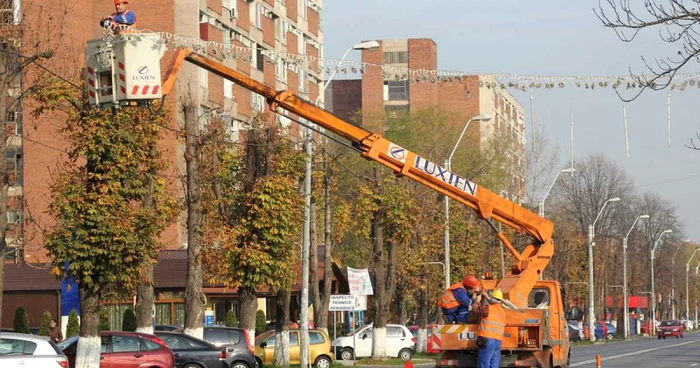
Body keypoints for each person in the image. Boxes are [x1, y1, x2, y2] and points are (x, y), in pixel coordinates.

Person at [476, 289, 506, 368]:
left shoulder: (488, 308)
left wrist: (477, 300)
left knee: (483, 364)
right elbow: (494, 302)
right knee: (494, 365)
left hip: (487, 340)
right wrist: (487, 297)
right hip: (498, 342)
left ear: (492, 298)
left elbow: (476, 309)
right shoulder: (503, 312)